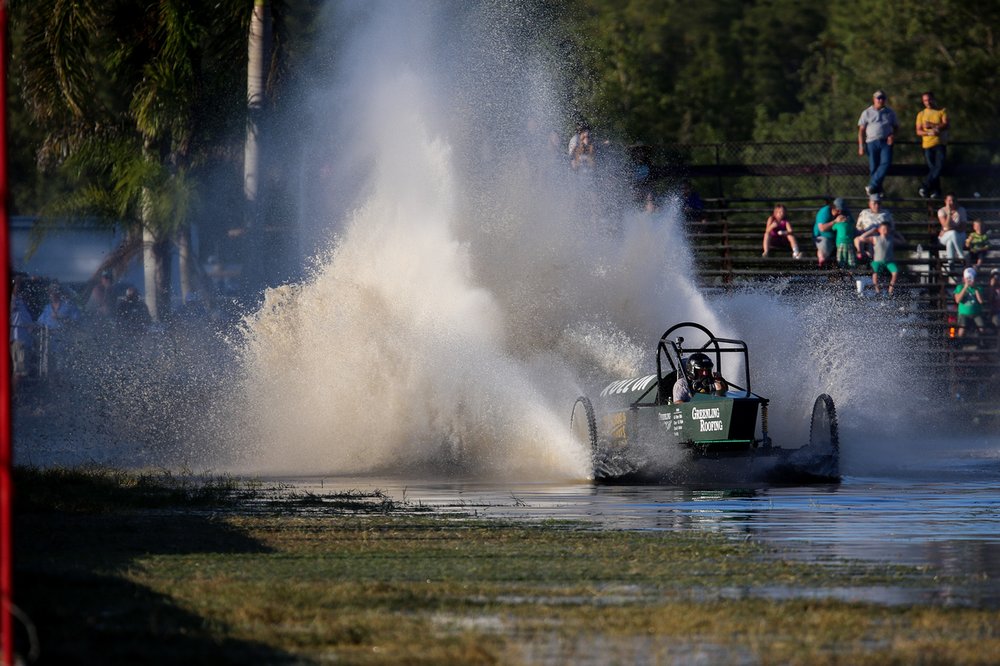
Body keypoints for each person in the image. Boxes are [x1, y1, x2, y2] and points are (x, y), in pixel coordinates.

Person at [857, 90, 898, 196]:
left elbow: (896, 127)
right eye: (878, 98)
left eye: (882, 98)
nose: (880, 100)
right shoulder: (866, 112)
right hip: (871, 142)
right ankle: (877, 191)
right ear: (874, 99)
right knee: (874, 166)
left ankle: (872, 185)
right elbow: (861, 130)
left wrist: (893, 135)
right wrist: (861, 146)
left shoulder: (890, 112)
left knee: (886, 163)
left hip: (885, 142)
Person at [915, 91, 948, 198]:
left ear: (933, 99)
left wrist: (933, 125)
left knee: (939, 166)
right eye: (925, 100)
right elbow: (918, 131)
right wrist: (929, 132)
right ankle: (936, 191)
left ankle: (925, 186)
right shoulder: (921, 114)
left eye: (929, 99)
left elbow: (945, 124)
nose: (927, 102)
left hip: (939, 144)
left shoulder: (941, 111)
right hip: (927, 146)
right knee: (933, 169)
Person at [856, 221, 902, 296]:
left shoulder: (891, 238)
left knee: (895, 272)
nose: (885, 230)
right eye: (883, 229)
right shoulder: (875, 238)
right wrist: (871, 231)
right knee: (875, 273)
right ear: (879, 230)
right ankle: (877, 291)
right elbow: (861, 238)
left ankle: (890, 291)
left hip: (889, 262)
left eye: (887, 229)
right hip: (877, 261)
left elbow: (902, 242)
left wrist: (897, 233)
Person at [10, 278, 35, 392]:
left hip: (25, 340)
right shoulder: (12, 300)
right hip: (17, 340)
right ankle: (12, 396)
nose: (20, 287)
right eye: (17, 285)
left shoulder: (21, 300)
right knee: (19, 372)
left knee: (22, 371)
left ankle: (17, 395)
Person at [854, 194, 894, 261]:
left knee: (874, 242)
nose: (877, 205)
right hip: (866, 236)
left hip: (880, 238)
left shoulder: (886, 214)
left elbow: (892, 228)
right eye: (874, 203)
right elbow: (858, 227)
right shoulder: (864, 213)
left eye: (879, 203)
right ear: (869, 204)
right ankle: (862, 255)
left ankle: (871, 261)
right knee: (857, 239)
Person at [813, 197, 849, 268]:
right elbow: (822, 228)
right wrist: (835, 221)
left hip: (840, 239)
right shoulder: (825, 211)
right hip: (822, 237)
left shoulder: (845, 212)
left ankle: (848, 272)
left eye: (841, 211)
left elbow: (852, 224)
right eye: (838, 210)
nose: (840, 213)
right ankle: (821, 261)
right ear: (833, 208)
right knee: (825, 244)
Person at [954, 267, 986, 338]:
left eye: (971, 278)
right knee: (962, 329)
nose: (969, 280)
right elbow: (957, 300)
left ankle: (981, 344)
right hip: (963, 314)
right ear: (964, 278)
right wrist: (965, 287)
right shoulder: (960, 287)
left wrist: (975, 288)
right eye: (967, 278)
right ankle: (960, 343)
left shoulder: (978, 288)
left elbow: (980, 301)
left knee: (982, 328)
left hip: (976, 314)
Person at [937, 193, 968, 264]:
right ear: (945, 201)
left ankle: (951, 267)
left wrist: (949, 229)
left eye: (953, 200)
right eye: (949, 200)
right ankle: (961, 256)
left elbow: (962, 227)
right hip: (944, 237)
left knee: (950, 242)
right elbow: (946, 226)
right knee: (952, 233)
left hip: (960, 235)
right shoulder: (941, 211)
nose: (952, 202)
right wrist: (948, 214)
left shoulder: (961, 210)